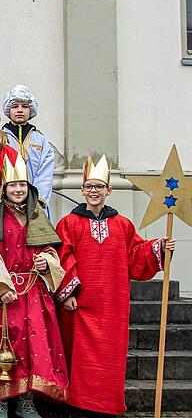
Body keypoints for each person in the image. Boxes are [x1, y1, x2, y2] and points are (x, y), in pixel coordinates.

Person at [55, 156, 176, 416]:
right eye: (89, 187)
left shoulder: (122, 225)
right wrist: (68, 293)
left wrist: (159, 248)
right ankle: (79, 405)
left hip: (112, 306)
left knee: (110, 357)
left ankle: (108, 405)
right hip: (81, 304)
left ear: (108, 191)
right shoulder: (69, 223)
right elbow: (63, 258)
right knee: (81, 360)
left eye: (99, 187)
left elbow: (135, 255)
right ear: (82, 191)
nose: (94, 192)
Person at [0, 156, 68, 418]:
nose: (18, 190)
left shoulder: (37, 215)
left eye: (23, 185)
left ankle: (26, 402)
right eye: (12, 185)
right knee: (3, 345)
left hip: (34, 291)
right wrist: (0, 286)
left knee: (34, 347)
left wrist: (46, 261)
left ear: (29, 188)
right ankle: (1, 402)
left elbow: (51, 249)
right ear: (4, 189)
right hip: (4, 292)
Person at [1, 85, 55, 210]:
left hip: (34, 204)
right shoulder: (0, 138)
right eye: (15, 106)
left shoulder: (40, 141)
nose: (20, 110)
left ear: (31, 110)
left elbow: (45, 174)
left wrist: (36, 199)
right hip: (6, 202)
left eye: (24, 106)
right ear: (9, 110)